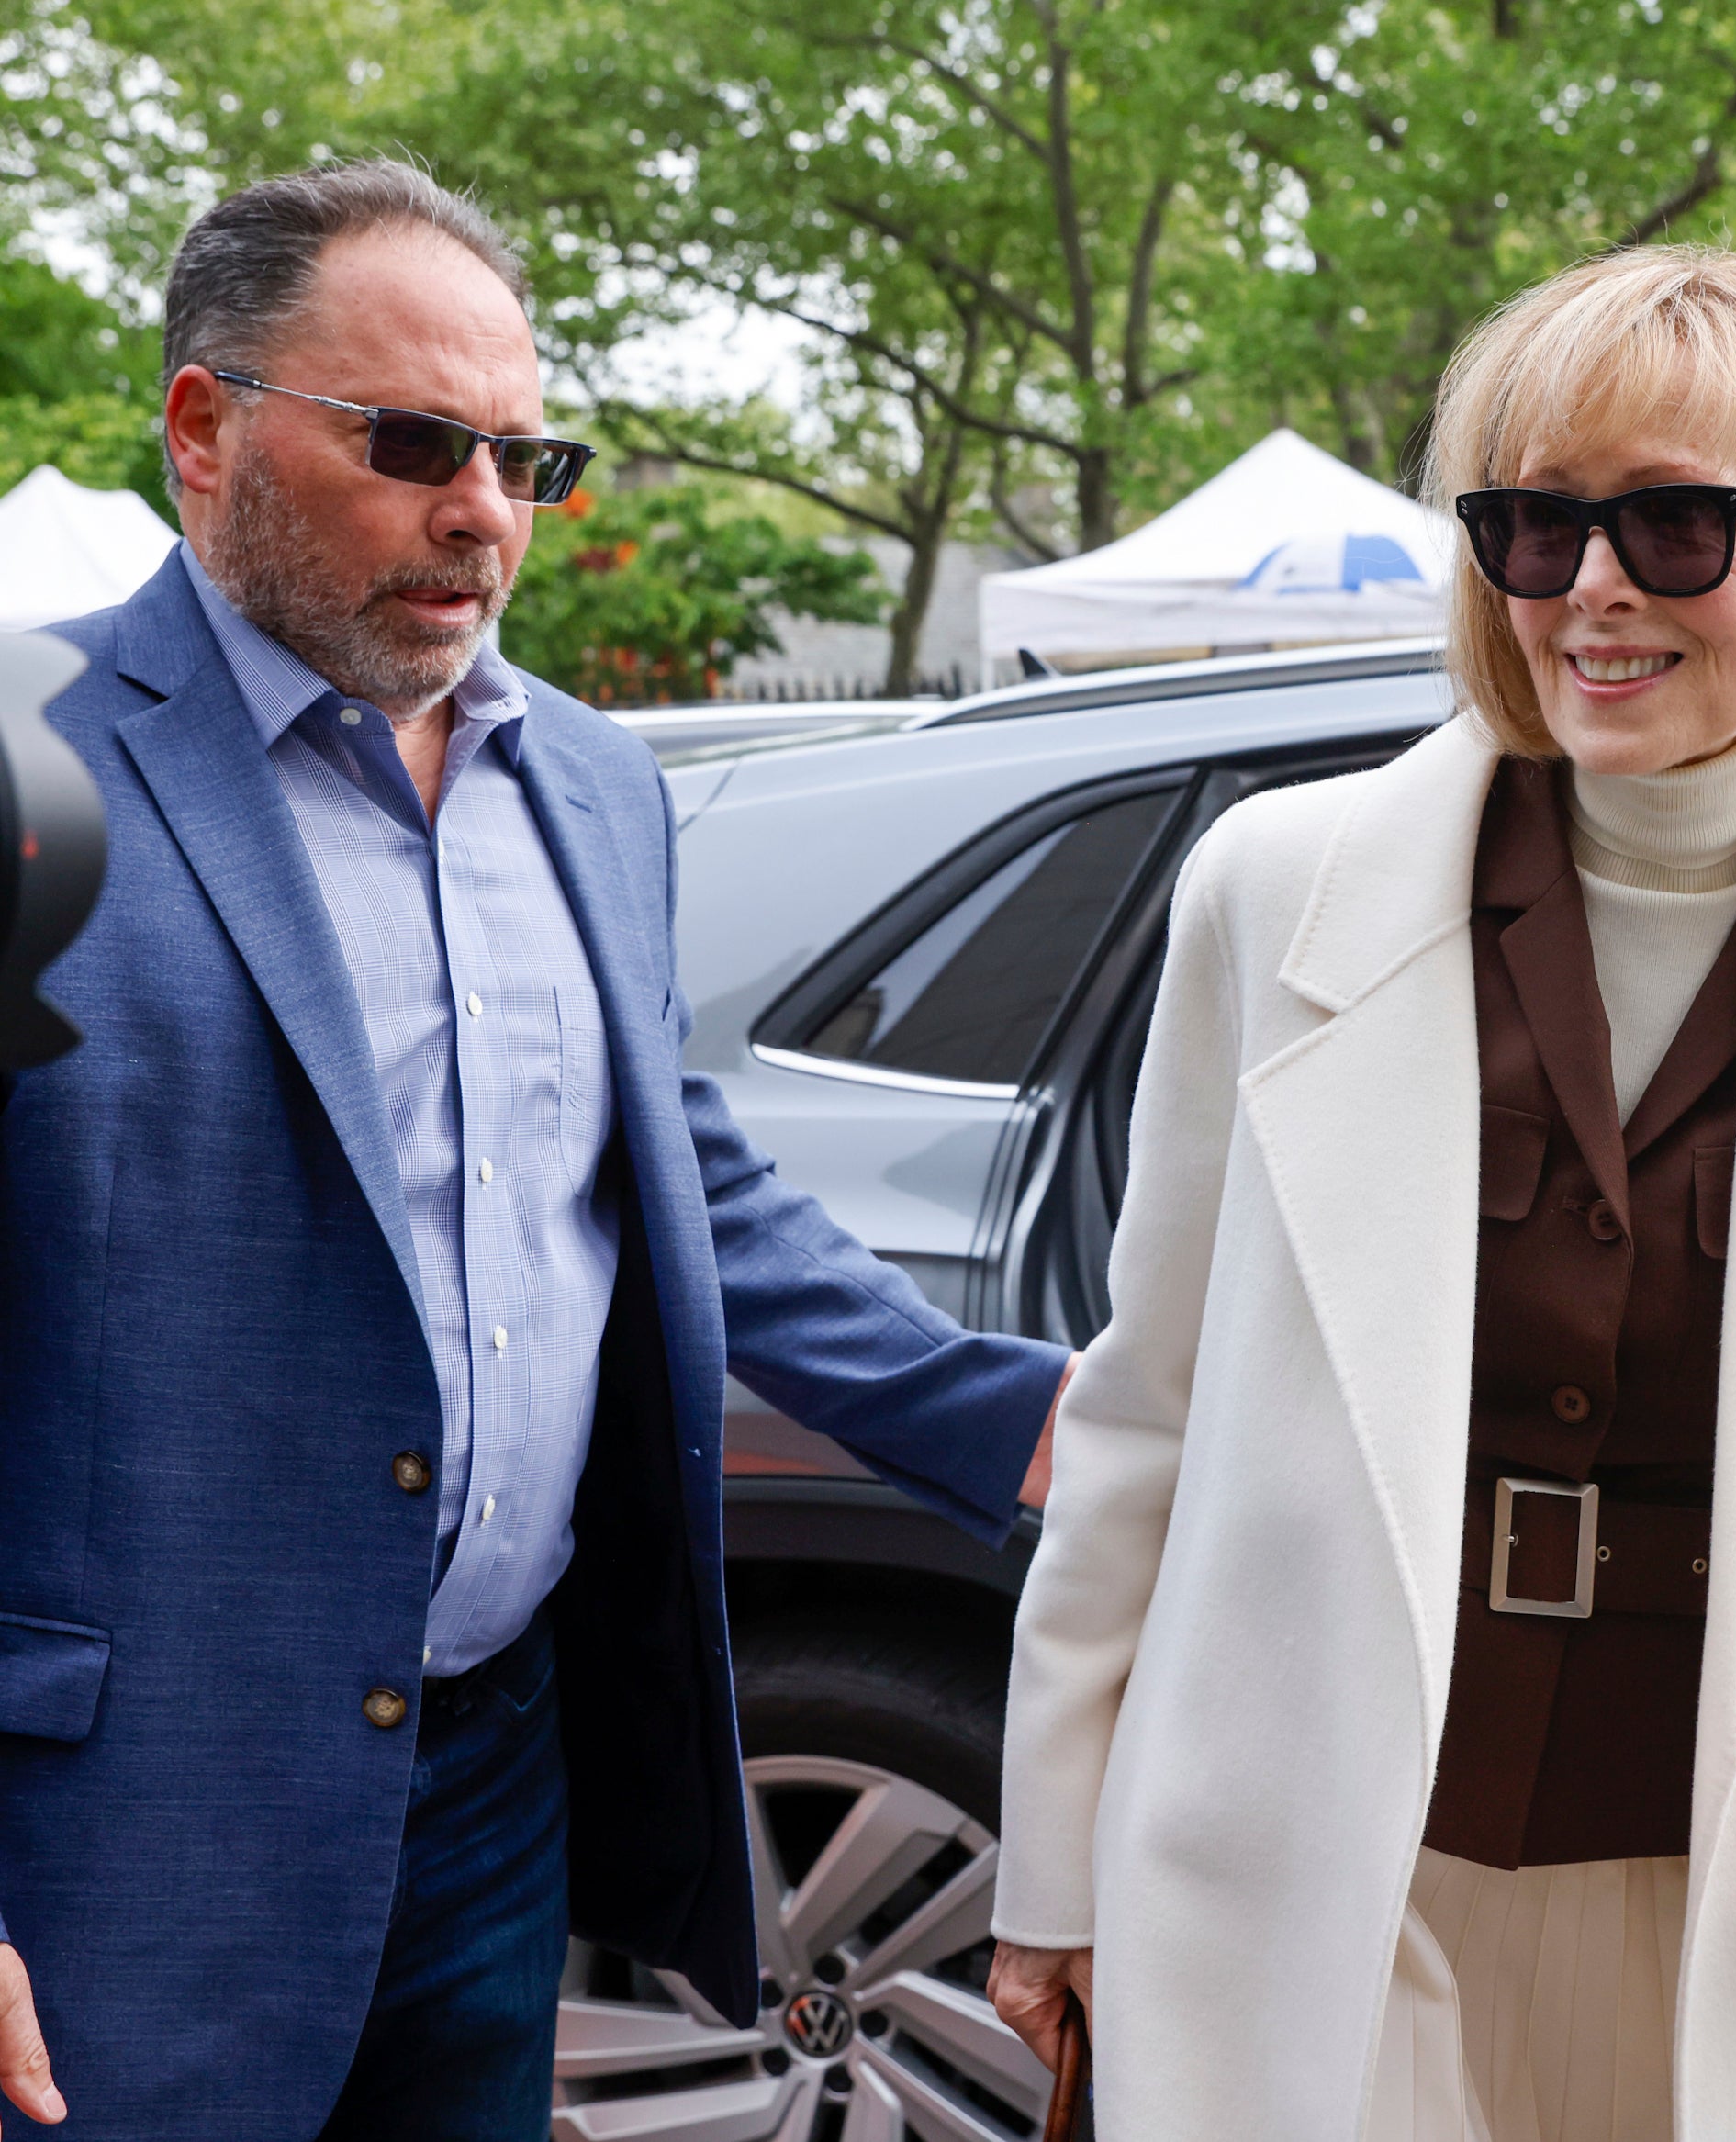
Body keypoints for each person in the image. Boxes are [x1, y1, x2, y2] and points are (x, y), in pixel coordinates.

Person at [983, 246, 1736, 2142]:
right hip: (1332, 1874)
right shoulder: (1275, 890)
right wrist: (1056, 1860)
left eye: (1672, 523)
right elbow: (1144, 1411)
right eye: (1529, 523)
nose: (1589, 589)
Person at [0, 161, 1070, 2139]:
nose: (483, 511)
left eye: (522, 456)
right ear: (202, 425)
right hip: (114, 1824)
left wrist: (1017, 1423)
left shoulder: (585, 779)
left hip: (491, 1776)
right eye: (413, 443)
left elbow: (661, 1171)